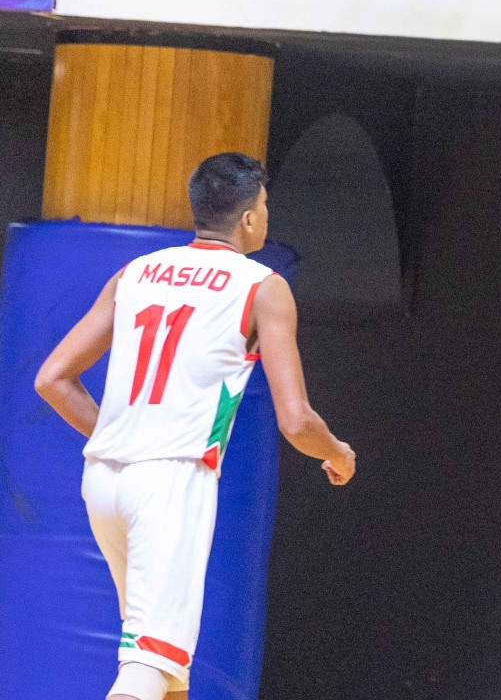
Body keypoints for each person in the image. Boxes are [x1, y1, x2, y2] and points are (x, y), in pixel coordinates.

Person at [34, 152, 355, 700]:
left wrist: (124, 440)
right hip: (170, 483)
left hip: (104, 481)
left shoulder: (134, 274)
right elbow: (296, 419)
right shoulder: (262, 286)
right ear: (250, 218)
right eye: (266, 206)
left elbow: (52, 379)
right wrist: (338, 452)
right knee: (147, 670)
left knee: (167, 670)